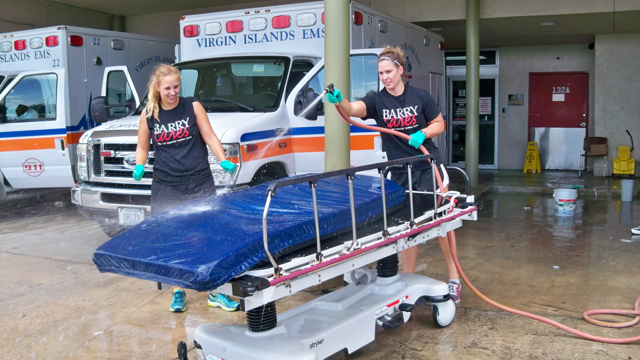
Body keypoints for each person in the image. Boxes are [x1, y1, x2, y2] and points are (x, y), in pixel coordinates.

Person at [326, 45, 461, 303]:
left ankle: (454, 279)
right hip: (399, 173)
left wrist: (423, 134)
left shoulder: (420, 96)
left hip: (427, 168)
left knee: (443, 224)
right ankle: (407, 282)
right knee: (407, 229)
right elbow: (353, 110)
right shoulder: (377, 100)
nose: (385, 77)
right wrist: (340, 100)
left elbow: (440, 123)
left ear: (400, 70)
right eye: (381, 73)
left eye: (389, 71)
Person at [133, 64, 240, 313]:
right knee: (173, 239)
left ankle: (214, 291)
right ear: (158, 88)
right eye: (167, 88)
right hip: (166, 185)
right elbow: (142, 147)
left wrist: (222, 158)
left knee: (208, 235)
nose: (172, 92)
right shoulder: (149, 114)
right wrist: (139, 165)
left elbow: (210, 136)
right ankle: (178, 290)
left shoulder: (192, 106)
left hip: (199, 181)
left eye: (176, 87)